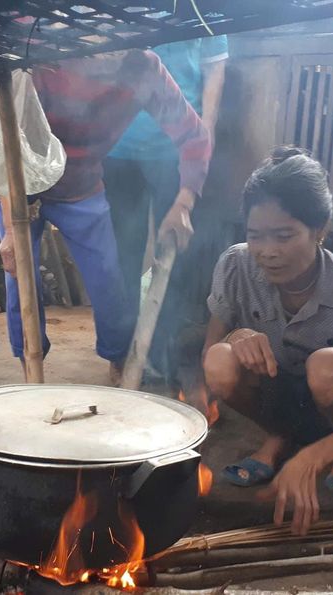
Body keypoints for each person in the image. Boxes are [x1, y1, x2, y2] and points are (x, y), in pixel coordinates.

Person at [202, 147, 333, 535]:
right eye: (255, 236)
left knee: (327, 365)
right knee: (220, 362)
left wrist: (313, 459)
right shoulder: (234, 264)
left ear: (320, 229)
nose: (268, 252)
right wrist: (237, 335)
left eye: (284, 235)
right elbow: (210, 350)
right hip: (281, 390)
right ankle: (279, 435)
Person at [0, 50, 212, 381]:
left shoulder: (144, 67)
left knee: (108, 278)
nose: (111, 52)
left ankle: (119, 363)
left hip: (82, 184)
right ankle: (30, 370)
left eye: (123, 43)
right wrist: (12, 230)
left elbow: (194, 136)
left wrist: (184, 203)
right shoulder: (39, 53)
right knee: (21, 280)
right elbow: (6, 143)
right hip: (19, 183)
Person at [102, 36, 227, 380]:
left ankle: (161, 352)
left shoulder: (200, 11)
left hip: (175, 149)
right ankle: (122, 355)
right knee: (121, 254)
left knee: (173, 251)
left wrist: (204, 141)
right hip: (118, 147)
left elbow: (215, 70)